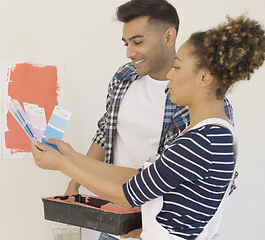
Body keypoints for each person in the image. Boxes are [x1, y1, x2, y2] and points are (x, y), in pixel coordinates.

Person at [32, 15, 265, 240]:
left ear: (204, 77)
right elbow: (142, 178)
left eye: (178, 68)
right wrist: (72, 157)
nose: (170, 76)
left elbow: (128, 194)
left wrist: (63, 165)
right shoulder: (213, 134)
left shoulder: (199, 143)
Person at [65, 0, 233, 239]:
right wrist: (75, 181)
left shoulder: (205, 107)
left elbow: (213, 184)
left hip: (152, 227)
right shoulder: (123, 78)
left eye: (138, 41)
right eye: (126, 43)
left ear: (169, 36)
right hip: (115, 219)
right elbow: (105, 133)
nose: (130, 52)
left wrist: (155, 227)